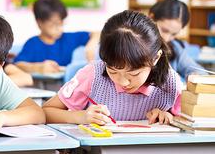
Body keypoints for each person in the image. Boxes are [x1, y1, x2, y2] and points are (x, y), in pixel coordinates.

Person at [43, 10, 182, 125]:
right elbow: (46, 111)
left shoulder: (171, 83)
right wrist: (80, 117)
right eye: (113, 71)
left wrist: (169, 118)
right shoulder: (92, 75)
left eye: (133, 74)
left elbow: (188, 122)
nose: (123, 82)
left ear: (156, 58)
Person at [14, 0, 100, 74]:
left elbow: (98, 33)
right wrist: (37, 68)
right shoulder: (33, 44)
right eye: (54, 24)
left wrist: (92, 43)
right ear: (39, 22)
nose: (59, 28)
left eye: (61, 23)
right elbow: (18, 64)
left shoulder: (68, 39)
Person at [149, 0, 205, 79]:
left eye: (174, 34)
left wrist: (194, 75)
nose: (167, 38)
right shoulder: (132, 41)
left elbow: (200, 71)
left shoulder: (175, 48)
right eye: (164, 30)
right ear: (151, 18)